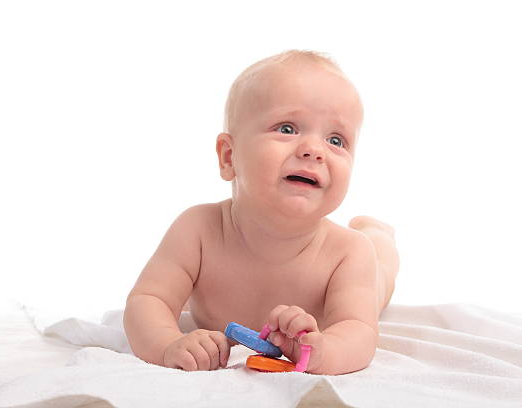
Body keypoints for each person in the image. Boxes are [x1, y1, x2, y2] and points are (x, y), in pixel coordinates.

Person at [123, 49, 400, 375]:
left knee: (379, 273)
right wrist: (168, 344)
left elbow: (359, 331)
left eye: (336, 140)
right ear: (229, 157)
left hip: (364, 271)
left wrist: (324, 352)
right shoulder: (197, 231)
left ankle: (379, 235)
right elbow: (147, 300)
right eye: (287, 129)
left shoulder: (348, 253)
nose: (314, 150)